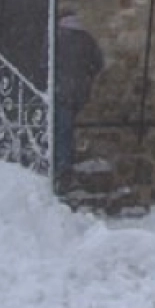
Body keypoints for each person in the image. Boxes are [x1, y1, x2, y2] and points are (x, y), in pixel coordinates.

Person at [53, 11, 105, 196]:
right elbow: (98, 63)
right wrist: (85, 76)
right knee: (66, 127)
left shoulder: (56, 37)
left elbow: (45, 62)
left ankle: (63, 167)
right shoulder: (86, 38)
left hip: (61, 90)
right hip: (80, 91)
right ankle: (64, 163)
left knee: (61, 129)